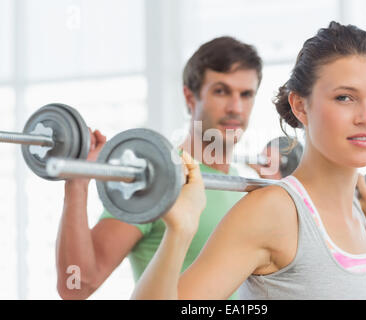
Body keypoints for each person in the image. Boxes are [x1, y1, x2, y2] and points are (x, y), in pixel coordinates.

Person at [131, 21, 366, 300]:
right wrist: (180, 230)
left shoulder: (360, 216)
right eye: (344, 97)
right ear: (300, 106)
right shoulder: (273, 211)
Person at [56, 36, 268, 299]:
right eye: (221, 91)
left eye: (246, 94)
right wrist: (77, 182)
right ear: (190, 96)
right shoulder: (156, 176)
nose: (236, 107)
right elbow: (76, 285)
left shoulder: (243, 185)